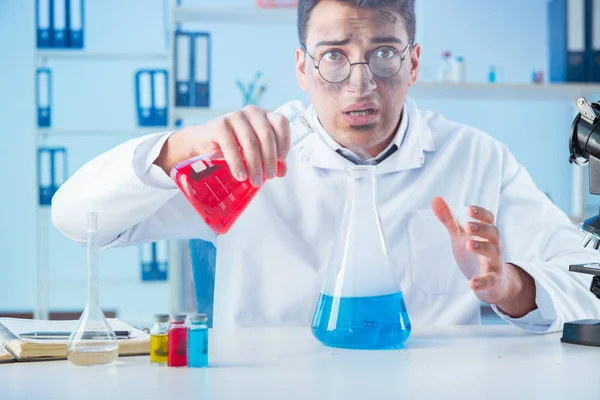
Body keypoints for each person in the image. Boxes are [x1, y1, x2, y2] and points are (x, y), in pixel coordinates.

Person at [52, 0, 600, 331]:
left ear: (412, 62)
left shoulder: (474, 157)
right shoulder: (249, 156)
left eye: (384, 53)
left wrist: (510, 287)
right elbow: (77, 220)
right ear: (302, 66)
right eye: (334, 55)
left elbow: (588, 278)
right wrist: (181, 147)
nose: (360, 83)